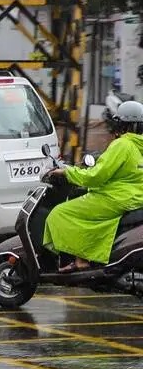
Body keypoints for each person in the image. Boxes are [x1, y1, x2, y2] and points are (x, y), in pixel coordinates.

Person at [43, 100, 143, 271]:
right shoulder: (139, 145)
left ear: (122, 124)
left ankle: (79, 261)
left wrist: (67, 172)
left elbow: (96, 176)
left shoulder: (123, 144)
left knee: (61, 213)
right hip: (134, 199)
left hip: (115, 199)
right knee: (90, 216)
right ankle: (85, 257)